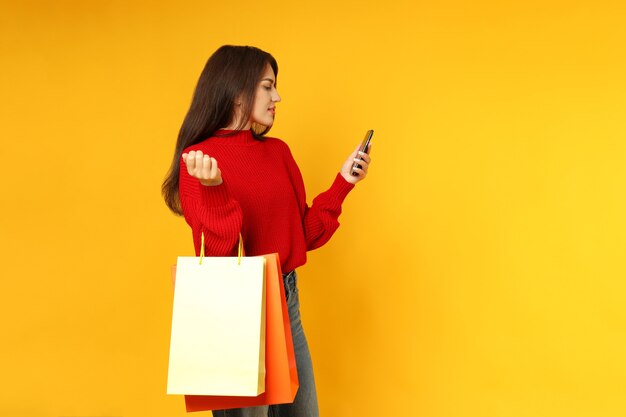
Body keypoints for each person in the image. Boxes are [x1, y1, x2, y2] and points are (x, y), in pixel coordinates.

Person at [162, 45, 372, 417]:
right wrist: (214, 190)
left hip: (286, 300)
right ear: (237, 90)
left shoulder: (278, 153)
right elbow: (220, 258)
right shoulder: (199, 160)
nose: (277, 97)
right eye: (267, 86)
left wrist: (343, 182)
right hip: (236, 309)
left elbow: (302, 235)